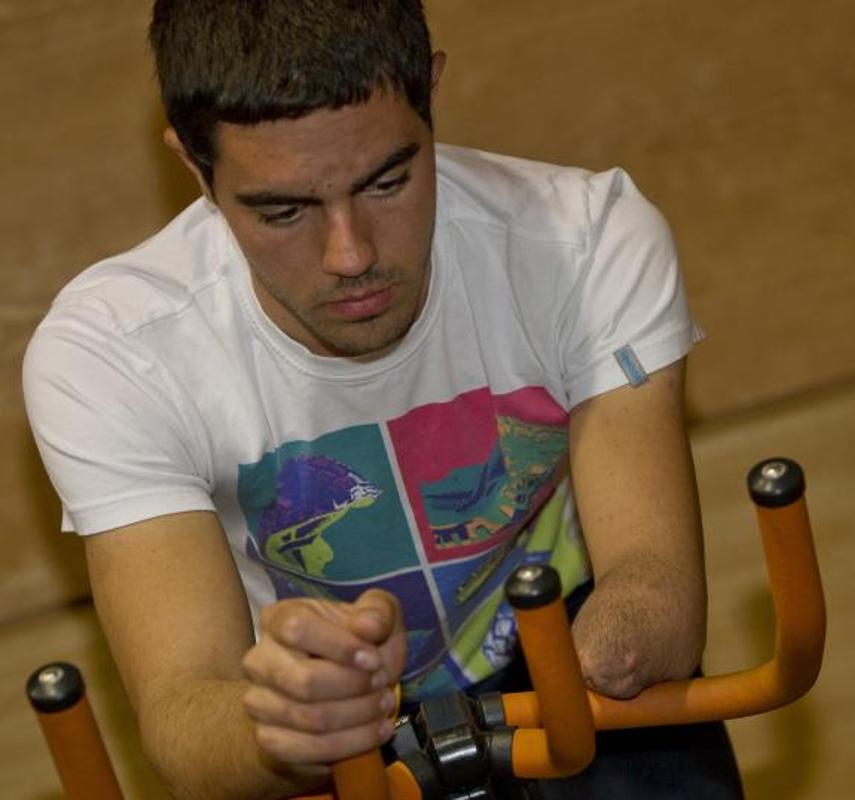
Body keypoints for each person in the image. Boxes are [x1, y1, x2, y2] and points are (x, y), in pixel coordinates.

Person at [23, 1, 743, 798]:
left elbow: (654, 590)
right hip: (303, 707)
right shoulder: (113, 353)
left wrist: (601, 658)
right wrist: (294, 722)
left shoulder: (586, 239)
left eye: (389, 180)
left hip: (562, 657)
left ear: (432, 91)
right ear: (193, 165)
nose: (351, 253)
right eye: (283, 210)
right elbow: (188, 718)